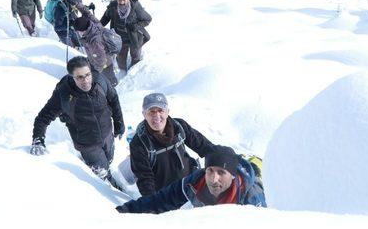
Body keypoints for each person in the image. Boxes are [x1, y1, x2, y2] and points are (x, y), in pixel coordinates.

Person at [30, 56, 124, 185]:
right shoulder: (63, 93)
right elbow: (43, 117)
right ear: (71, 76)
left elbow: (113, 98)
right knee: (102, 174)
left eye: (87, 75)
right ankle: (110, 186)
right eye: (79, 77)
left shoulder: (100, 80)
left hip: (107, 133)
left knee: (109, 159)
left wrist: (119, 124)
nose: (85, 80)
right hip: (88, 144)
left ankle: (108, 172)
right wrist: (38, 139)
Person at [116, 146, 266, 213]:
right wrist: (127, 210)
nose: (214, 179)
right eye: (210, 171)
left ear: (232, 175)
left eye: (221, 173)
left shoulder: (251, 197)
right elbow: (162, 200)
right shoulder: (196, 180)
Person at [130, 93, 214, 196]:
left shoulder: (179, 127)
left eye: (161, 110)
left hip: (192, 186)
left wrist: (227, 159)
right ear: (144, 114)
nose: (157, 116)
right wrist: (153, 204)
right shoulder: (139, 143)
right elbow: (145, 179)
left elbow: (204, 146)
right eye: (151, 111)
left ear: (167, 112)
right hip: (168, 197)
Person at [100, 0, 151, 72]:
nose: (122, 2)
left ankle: (133, 72)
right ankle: (122, 72)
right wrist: (96, 28)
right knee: (121, 57)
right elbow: (104, 19)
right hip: (119, 38)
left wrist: (137, 26)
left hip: (135, 37)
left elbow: (148, 19)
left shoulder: (135, 7)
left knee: (135, 56)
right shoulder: (113, 7)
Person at [72, 0, 119, 87]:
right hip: (101, 55)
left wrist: (95, 71)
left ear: (82, 31)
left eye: (78, 31)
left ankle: (114, 87)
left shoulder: (93, 41)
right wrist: (78, 5)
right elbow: (87, 13)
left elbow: (101, 60)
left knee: (109, 77)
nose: (78, 33)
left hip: (105, 62)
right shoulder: (94, 24)